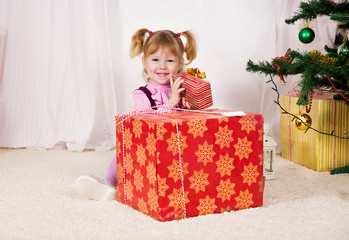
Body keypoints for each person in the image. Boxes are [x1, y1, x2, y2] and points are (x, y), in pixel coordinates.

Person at [75, 28, 197, 200]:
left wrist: (189, 105)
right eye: (155, 60)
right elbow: (146, 120)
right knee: (126, 149)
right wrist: (171, 103)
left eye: (170, 60)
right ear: (144, 62)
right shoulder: (142, 94)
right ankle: (109, 182)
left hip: (174, 146)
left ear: (180, 63)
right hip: (150, 146)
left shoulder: (180, 90)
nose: (162, 66)